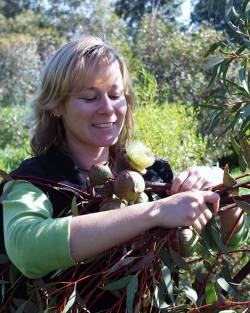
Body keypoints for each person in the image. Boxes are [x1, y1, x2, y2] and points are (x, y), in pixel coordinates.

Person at [0, 36, 248, 312]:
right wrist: (155, 212)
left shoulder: (155, 174)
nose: (108, 107)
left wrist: (220, 186)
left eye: (116, 95)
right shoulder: (34, 180)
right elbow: (28, 250)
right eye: (90, 97)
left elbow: (229, 241)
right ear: (57, 105)